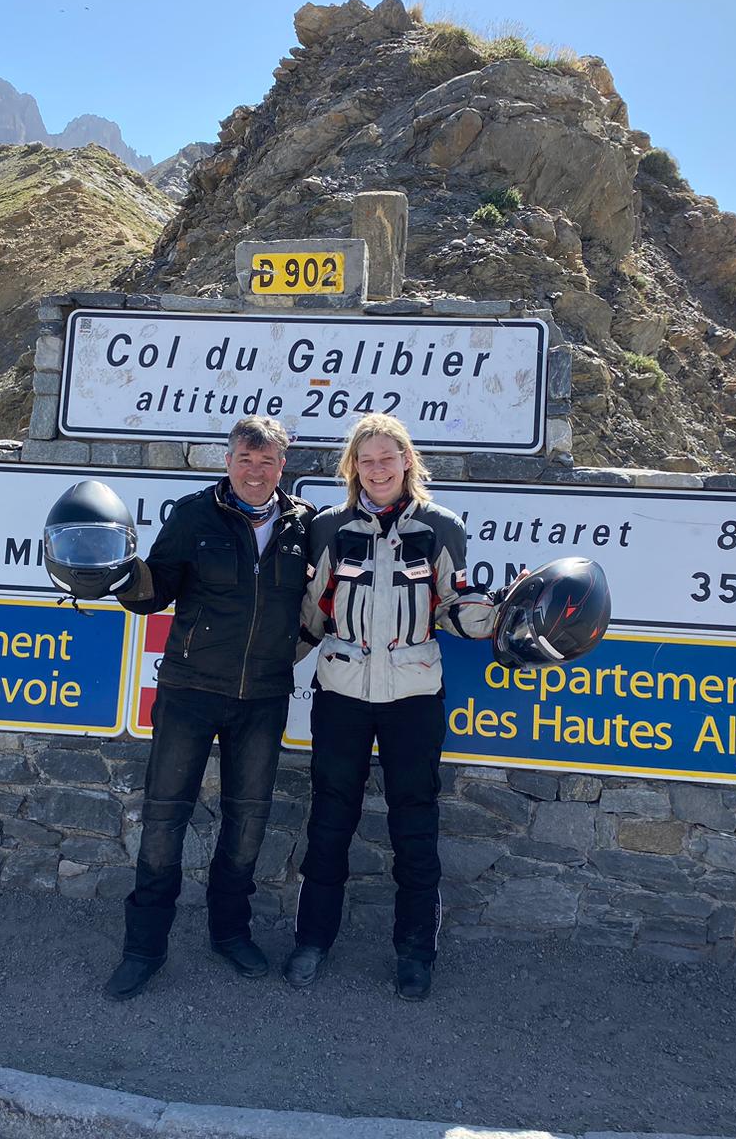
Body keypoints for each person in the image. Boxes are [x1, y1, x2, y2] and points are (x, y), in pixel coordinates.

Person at [103, 416, 315, 1000]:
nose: (256, 472)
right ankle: (143, 949)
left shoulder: (304, 525)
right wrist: (120, 573)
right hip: (190, 692)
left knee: (247, 824)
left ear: (282, 467)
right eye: (246, 459)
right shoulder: (194, 514)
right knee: (164, 820)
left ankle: (230, 933)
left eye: (267, 461)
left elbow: (321, 601)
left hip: (263, 698)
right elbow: (155, 592)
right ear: (228, 461)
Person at [287, 413, 496, 1001]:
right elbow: (313, 613)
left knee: (415, 824)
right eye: (367, 460)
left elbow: (452, 606)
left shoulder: (441, 526)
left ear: (407, 460)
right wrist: (266, 666)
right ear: (353, 467)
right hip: (342, 695)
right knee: (330, 821)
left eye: (388, 457)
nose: (378, 469)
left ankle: (415, 953)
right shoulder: (328, 527)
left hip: (414, 697)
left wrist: (498, 615)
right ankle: (312, 940)